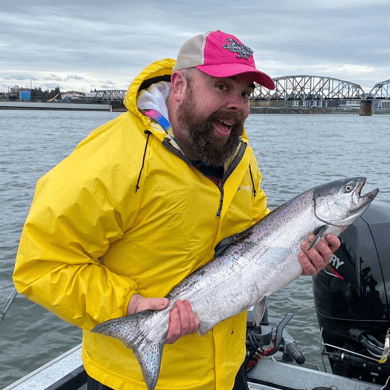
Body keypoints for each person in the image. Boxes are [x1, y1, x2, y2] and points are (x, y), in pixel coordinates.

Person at [13, 30, 340, 390]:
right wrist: (130, 305)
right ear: (180, 85)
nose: (237, 104)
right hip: (132, 381)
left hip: (227, 373)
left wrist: (299, 256)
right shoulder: (109, 160)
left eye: (245, 94)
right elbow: (41, 266)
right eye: (222, 87)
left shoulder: (241, 157)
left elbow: (257, 246)